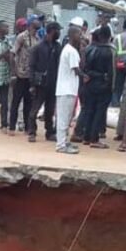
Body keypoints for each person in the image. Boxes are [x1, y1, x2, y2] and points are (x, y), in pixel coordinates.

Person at [76, 25, 114, 148]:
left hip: (89, 83)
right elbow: (111, 71)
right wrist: (110, 86)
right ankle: (94, 138)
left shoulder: (89, 49)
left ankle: (86, 137)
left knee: (89, 109)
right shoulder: (110, 51)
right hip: (103, 83)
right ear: (108, 37)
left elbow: (83, 67)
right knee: (100, 112)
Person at [28, 21, 62, 142]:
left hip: (53, 84)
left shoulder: (58, 47)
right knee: (35, 109)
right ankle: (32, 132)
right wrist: (32, 84)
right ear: (52, 31)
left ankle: (50, 132)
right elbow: (31, 66)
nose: (59, 33)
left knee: (50, 110)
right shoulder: (37, 47)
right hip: (40, 84)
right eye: (58, 31)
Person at [55, 24, 83, 154]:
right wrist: (86, 77)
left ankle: (64, 141)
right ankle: (61, 145)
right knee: (63, 118)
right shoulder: (71, 51)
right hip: (66, 89)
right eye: (79, 34)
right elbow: (76, 70)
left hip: (68, 89)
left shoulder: (70, 49)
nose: (81, 37)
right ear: (72, 35)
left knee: (66, 118)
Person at [10, 17, 39, 135]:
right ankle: (11, 127)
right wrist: (13, 73)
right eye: (36, 25)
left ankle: (28, 127)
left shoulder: (37, 38)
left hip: (30, 76)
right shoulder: (22, 37)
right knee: (16, 102)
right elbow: (12, 54)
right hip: (20, 74)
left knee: (29, 103)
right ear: (30, 25)